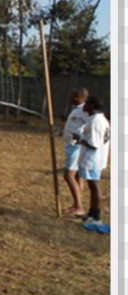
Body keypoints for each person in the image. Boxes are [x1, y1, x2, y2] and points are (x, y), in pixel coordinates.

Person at [74, 96, 109, 225]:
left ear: (92, 106)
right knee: (92, 185)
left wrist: (79, 138)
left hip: (93, 158)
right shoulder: (99, 119)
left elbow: (93, 144)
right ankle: (91, 213)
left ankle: (96, 217)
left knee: (94, 186)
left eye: (87, 103)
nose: (84, 105)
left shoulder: (95, 122)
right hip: (97, 157)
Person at [62, 88, 89, 216]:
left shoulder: (85, 110)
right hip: (71, 145)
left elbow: (92, 124)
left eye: (72, 96)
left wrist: (82, 137)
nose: (69, 98)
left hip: (76, 146)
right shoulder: (76, 110)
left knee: (69, 175)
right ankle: (77, 205)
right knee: (77, 176)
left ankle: (79, 206)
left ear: (78, 97)